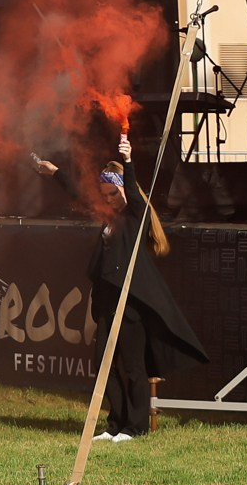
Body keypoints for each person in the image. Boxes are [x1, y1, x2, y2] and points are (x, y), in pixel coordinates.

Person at [88, 134, 208, 441]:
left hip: (130, 308)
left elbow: (134, 195)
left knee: (133, 367)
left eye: (113, 193)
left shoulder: (134, 216)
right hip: (106, 304)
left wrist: (128, 161)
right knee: (105, 366)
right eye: (105, 195)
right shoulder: (109, 221)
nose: (109, 199)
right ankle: (115, 422)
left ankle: (136, 426)